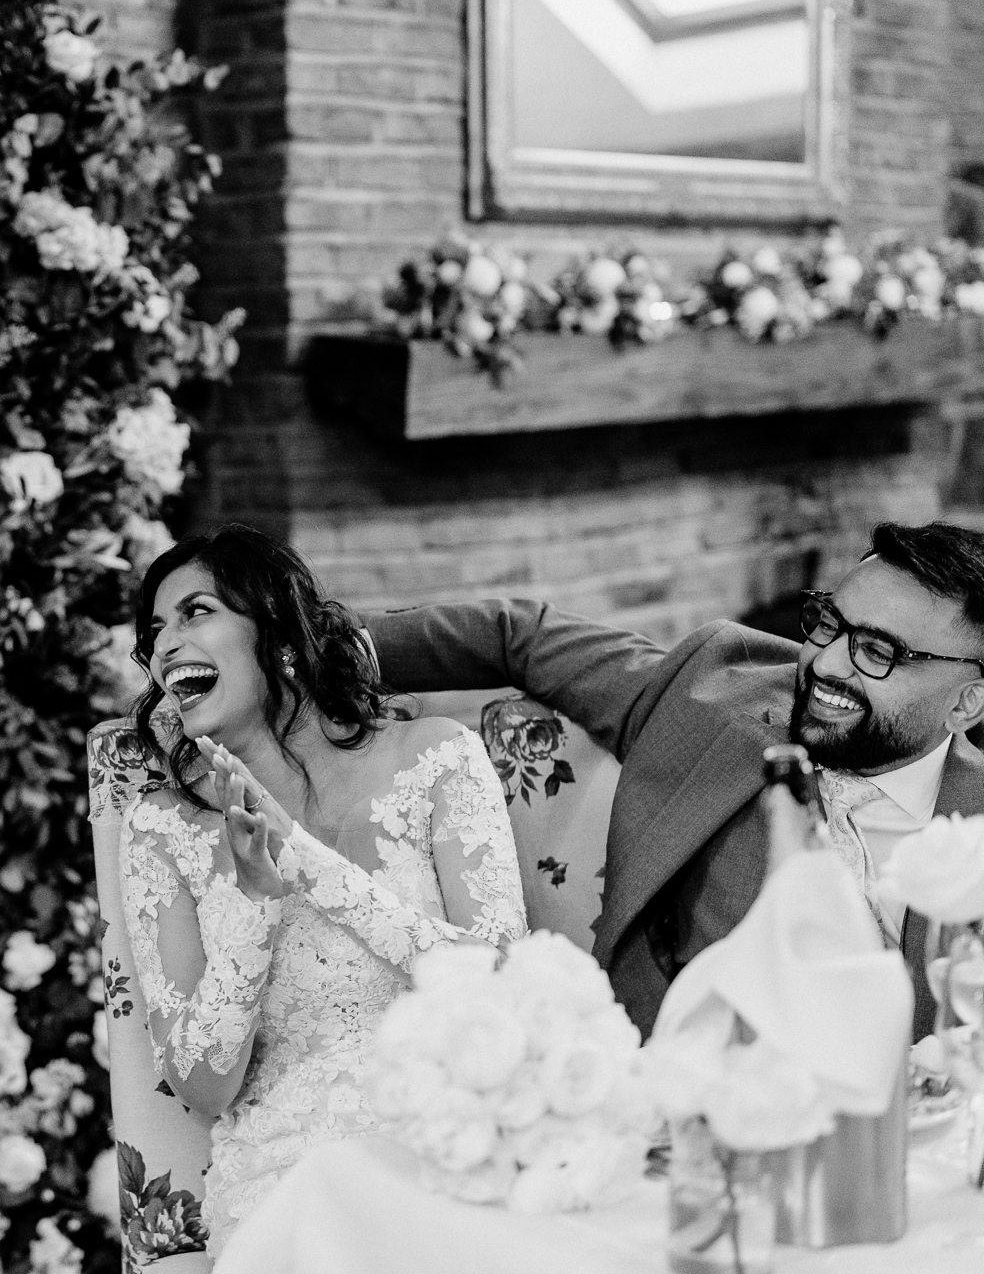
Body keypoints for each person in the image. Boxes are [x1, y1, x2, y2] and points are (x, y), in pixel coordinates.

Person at [364, 520, 984, 1040]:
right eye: (827, 624)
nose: (823, 663)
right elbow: (518, 636)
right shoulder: (713, 697)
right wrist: (314, 652)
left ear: (966, 704)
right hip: (679, 1098)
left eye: (877, 652)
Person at [107, 524, 527, 1256]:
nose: (166, 645)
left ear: (277, 632)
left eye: (195, 612)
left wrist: (307, 865)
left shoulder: (434, 758)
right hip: (288, 1180)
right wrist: (256, 899)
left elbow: (502, 990)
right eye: (154, 633)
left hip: (452, 1134)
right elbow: (203, 1085)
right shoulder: (159, 830)